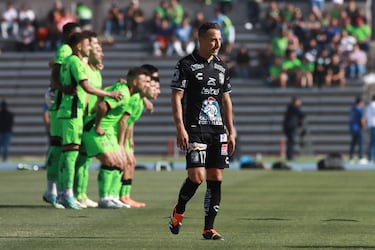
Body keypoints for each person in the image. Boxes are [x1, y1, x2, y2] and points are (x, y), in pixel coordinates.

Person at [169, 22, 235, 240]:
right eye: (213, 39)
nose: (217, 44)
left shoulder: (222, 68)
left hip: (218, 131)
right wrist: (180, 127)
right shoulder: (185, 65)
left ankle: (208, 229)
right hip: (195, 130)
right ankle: (179, 209)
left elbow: (226, 100)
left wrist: (231, 130)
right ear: (201, 40)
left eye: (219, 39)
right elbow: (176, 98)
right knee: (196, 177)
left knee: (215, 178)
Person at [57, 32, 121, 209]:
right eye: (89, 45)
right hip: (73, 112)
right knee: (70, 154)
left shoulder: (79, 64)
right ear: (79, 46)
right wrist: (110, 94)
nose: (91, 48)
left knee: (76, 155)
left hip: (76, 113)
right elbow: (86, 87)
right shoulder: (75, 62)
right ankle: (65, 193)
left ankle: (74, 193)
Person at [42, 22, 81, 209]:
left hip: (63, 104)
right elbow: (54, 74)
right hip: (63, 105)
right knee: (63, 147)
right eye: (75, 35)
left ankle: (53, 191)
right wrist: (61, 89)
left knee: (59, 146)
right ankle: (59, 191)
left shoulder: (66, 51)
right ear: (67, 35)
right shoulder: (66, 50)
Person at [282, 96, 305, 161]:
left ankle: (290, 155)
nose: (300, 103)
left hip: (290, 126)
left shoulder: (292, 107)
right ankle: (290, 156)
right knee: (291, 141)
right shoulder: (293, 107)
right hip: (290, 127)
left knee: (291, 141)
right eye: (299, 101)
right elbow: (301, 114)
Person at [348, 97, 366, 164]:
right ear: (360, 102)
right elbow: (362, 119)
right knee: (360, 143)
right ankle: (360, 158)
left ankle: (350, 158)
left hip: (352, 127)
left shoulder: (352, 109)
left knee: (353, 143)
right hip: (358, 128)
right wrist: (364, 126)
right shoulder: (359, 109)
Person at [365, 95, 375, 164]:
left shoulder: (369, 106)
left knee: (372, 142)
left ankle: (370, 157)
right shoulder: (373, 105)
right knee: (373, 143)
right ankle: (371, 158)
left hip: (370, 125)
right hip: (374, 125)